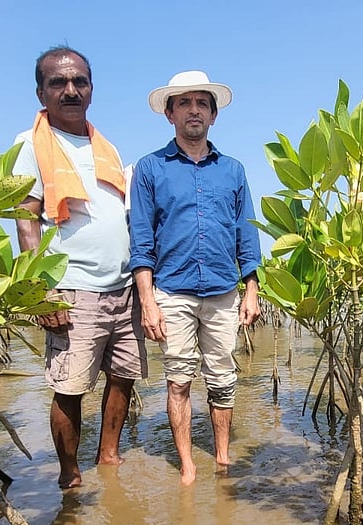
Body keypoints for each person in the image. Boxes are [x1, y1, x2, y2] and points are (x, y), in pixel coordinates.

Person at [12, 46, 146, 490]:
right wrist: (39, 289)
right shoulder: (31, 144)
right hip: (72, 287)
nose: (70, 90)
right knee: (70, 386)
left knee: (123, 377)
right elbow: (26, 214)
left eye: (79, 82)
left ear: (91, 89)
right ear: (41, 91)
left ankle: (108, 457)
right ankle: (70, 475)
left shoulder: (103, 145)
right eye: (58, 82)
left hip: (123, 286)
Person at [129, 71, 262, 486]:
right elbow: (141, 239)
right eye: (184, 103)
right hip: (172, 292)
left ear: (213, 115)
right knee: (179, 379)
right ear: (169, 114)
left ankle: (221, 456)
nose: (193, 110)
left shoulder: (234, 171)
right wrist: (147, 301)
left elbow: (247, 231)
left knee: (223, 379)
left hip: (224, 291)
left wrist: (252, 289)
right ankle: (187, 464)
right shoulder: (150, 169)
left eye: (202, 103)